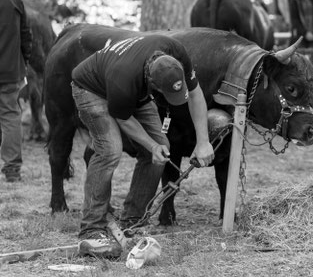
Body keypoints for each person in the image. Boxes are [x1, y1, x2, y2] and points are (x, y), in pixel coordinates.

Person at [72, 35, 214, 258]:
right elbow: (123, 118)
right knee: (109, 150)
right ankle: (91, 230)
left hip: (133, 89)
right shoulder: (124, 79)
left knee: (161, 146)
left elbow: (195, 95)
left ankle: (132, 221)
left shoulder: (176, 54)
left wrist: (203, 141)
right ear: (153, 83)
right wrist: (150, 146)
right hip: (91, 89)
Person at [0, 0, 31, 183]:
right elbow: (26, 33)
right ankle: (12, 170)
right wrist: (24, 61)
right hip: (10, 69)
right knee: (10, 115)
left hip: (11, 68)